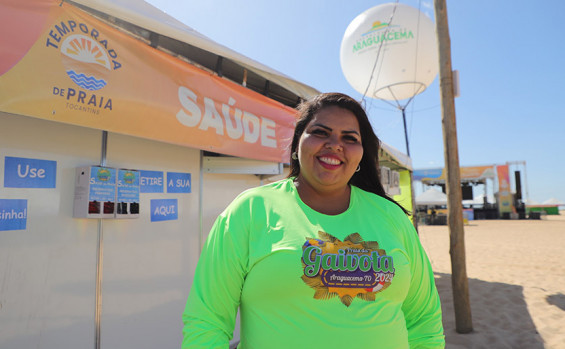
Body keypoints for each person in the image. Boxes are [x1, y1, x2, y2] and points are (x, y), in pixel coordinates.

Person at [182, 92, 445, 348]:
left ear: (361, 155)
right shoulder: (250, 210)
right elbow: (207, 321)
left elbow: (424, 320)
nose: (334, 144)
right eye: (320, 132)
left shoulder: (392, 218)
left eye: (350, 138)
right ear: (297, 144)